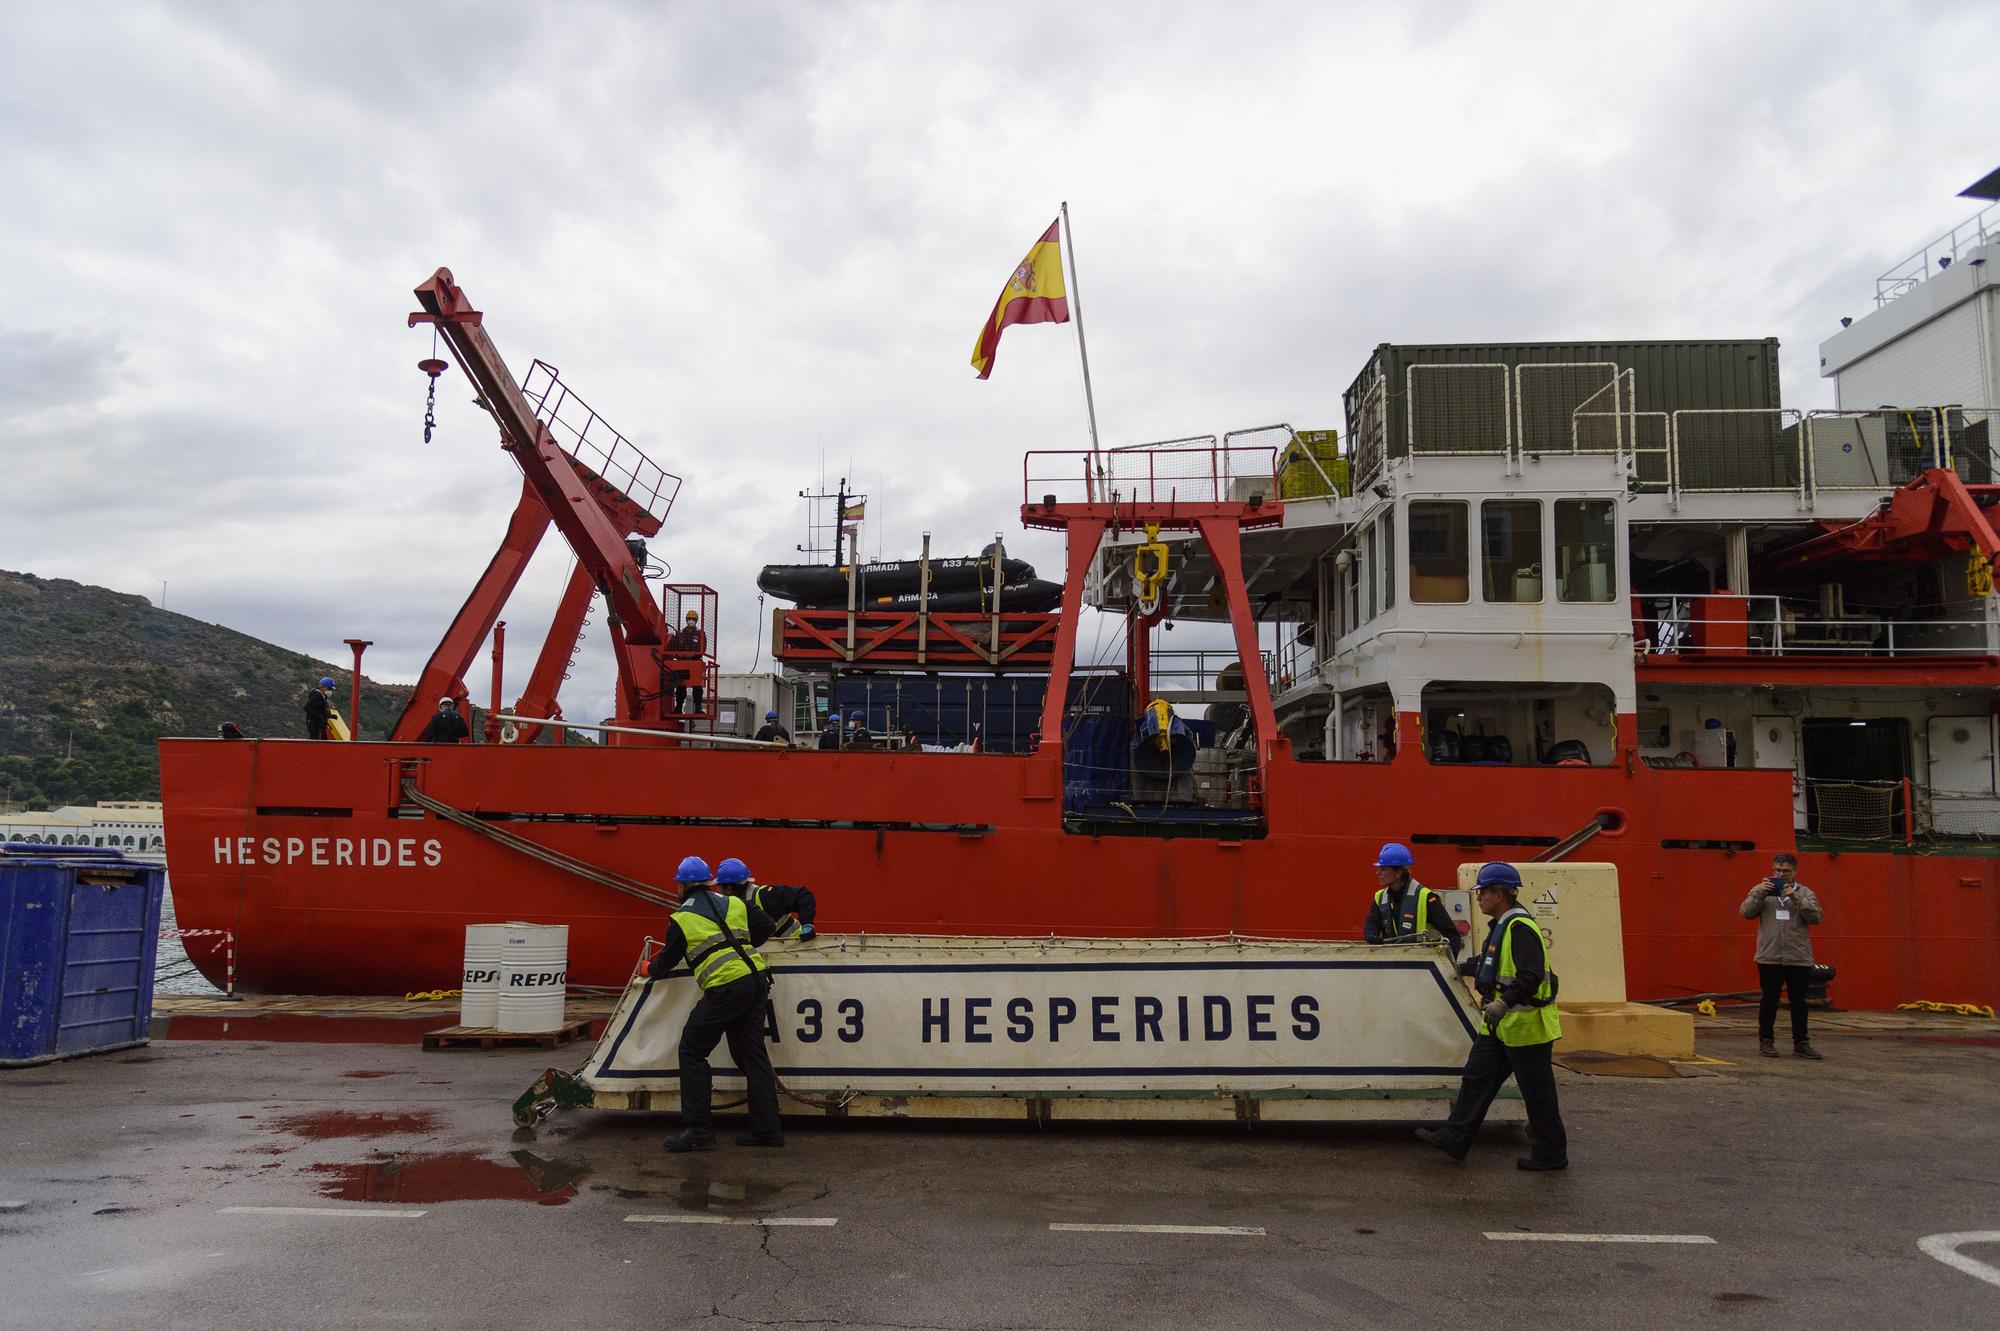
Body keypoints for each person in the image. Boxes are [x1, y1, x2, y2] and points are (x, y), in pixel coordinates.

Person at [1416, 861, 1569, 1171]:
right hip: (1500, 1025)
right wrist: (1454, 967)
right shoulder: (1501, 926)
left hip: (1526, 1027)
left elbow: (1530, 975)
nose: (1479, 897)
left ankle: (1552, 1154)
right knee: (1476, 1079)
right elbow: (1488, 964)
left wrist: (1505, 1002)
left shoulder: (1520, 927)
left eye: (1483, 892)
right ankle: (1456, 1137)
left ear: (1499, 894)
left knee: (1537, 1094)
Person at [650, 855, 784, 1152]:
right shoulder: (734, 902)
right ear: (710, 882)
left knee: (692, 1049)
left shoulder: (681, 918)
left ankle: (698, 1130)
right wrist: (744, 946)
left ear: (683, 885)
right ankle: (767, 1131)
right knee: (752, 1056)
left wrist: (647, 969)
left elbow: (666, 962)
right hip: (756, 979)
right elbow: (766, 925)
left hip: (725, 989)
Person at [1741, 852, 1824, 1059]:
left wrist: (1794, 897)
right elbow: (1745, 912)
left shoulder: (1805, 892)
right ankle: (1766, 1041)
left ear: (1794, 872)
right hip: (1769, 956)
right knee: (1769, 999)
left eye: (1786, 871)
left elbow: (1816, 917)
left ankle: (1801, 1043)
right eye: (1778, 870)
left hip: (1798, 956)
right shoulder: (1761, 890)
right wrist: (1760, 893)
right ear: (1772, 870)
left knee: (1799, 1001)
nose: (1781, 874)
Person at [1362, 842, 1462, 959]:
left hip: (1424, 966)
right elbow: (1371, 926)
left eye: (1383, 869)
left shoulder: (1426, 897)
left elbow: (1452, 935)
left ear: (1398, 873)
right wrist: (1371, 936)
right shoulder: (1380, 898)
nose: (1377, 873)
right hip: (1392, 964)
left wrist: (1445, 965)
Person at [716, 857, 817, 940]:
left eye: (719, 886)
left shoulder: (765, 896)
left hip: (797, 946)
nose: (717, 890)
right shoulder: (731, 906)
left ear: (728, 889)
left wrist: (807, 924)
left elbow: (802, 895)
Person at [669, 610, 707, 715]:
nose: (691, 621)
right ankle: (679, 707)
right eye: (689, 619)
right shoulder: (680, 634)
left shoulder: (700, 634)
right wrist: (679, 654)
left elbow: (703, 648)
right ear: (686, 620)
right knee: (681, 685)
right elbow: (673, 647)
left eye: (693, 619)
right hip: (682, 662)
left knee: (697, 687)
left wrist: (693, 654)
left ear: (696, 620)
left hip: (695, 663)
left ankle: (698, 707)